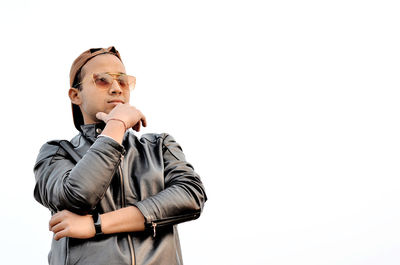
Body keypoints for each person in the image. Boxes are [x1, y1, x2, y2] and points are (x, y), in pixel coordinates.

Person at [33, 46, 207, 265]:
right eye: (102, 80)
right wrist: (116, 124)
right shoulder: (56, 152)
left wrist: (96, 225)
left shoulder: (160, 146)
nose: (116, 89)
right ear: (75, 95)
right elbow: (77, 197)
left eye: (123, 81)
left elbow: (191, 196)